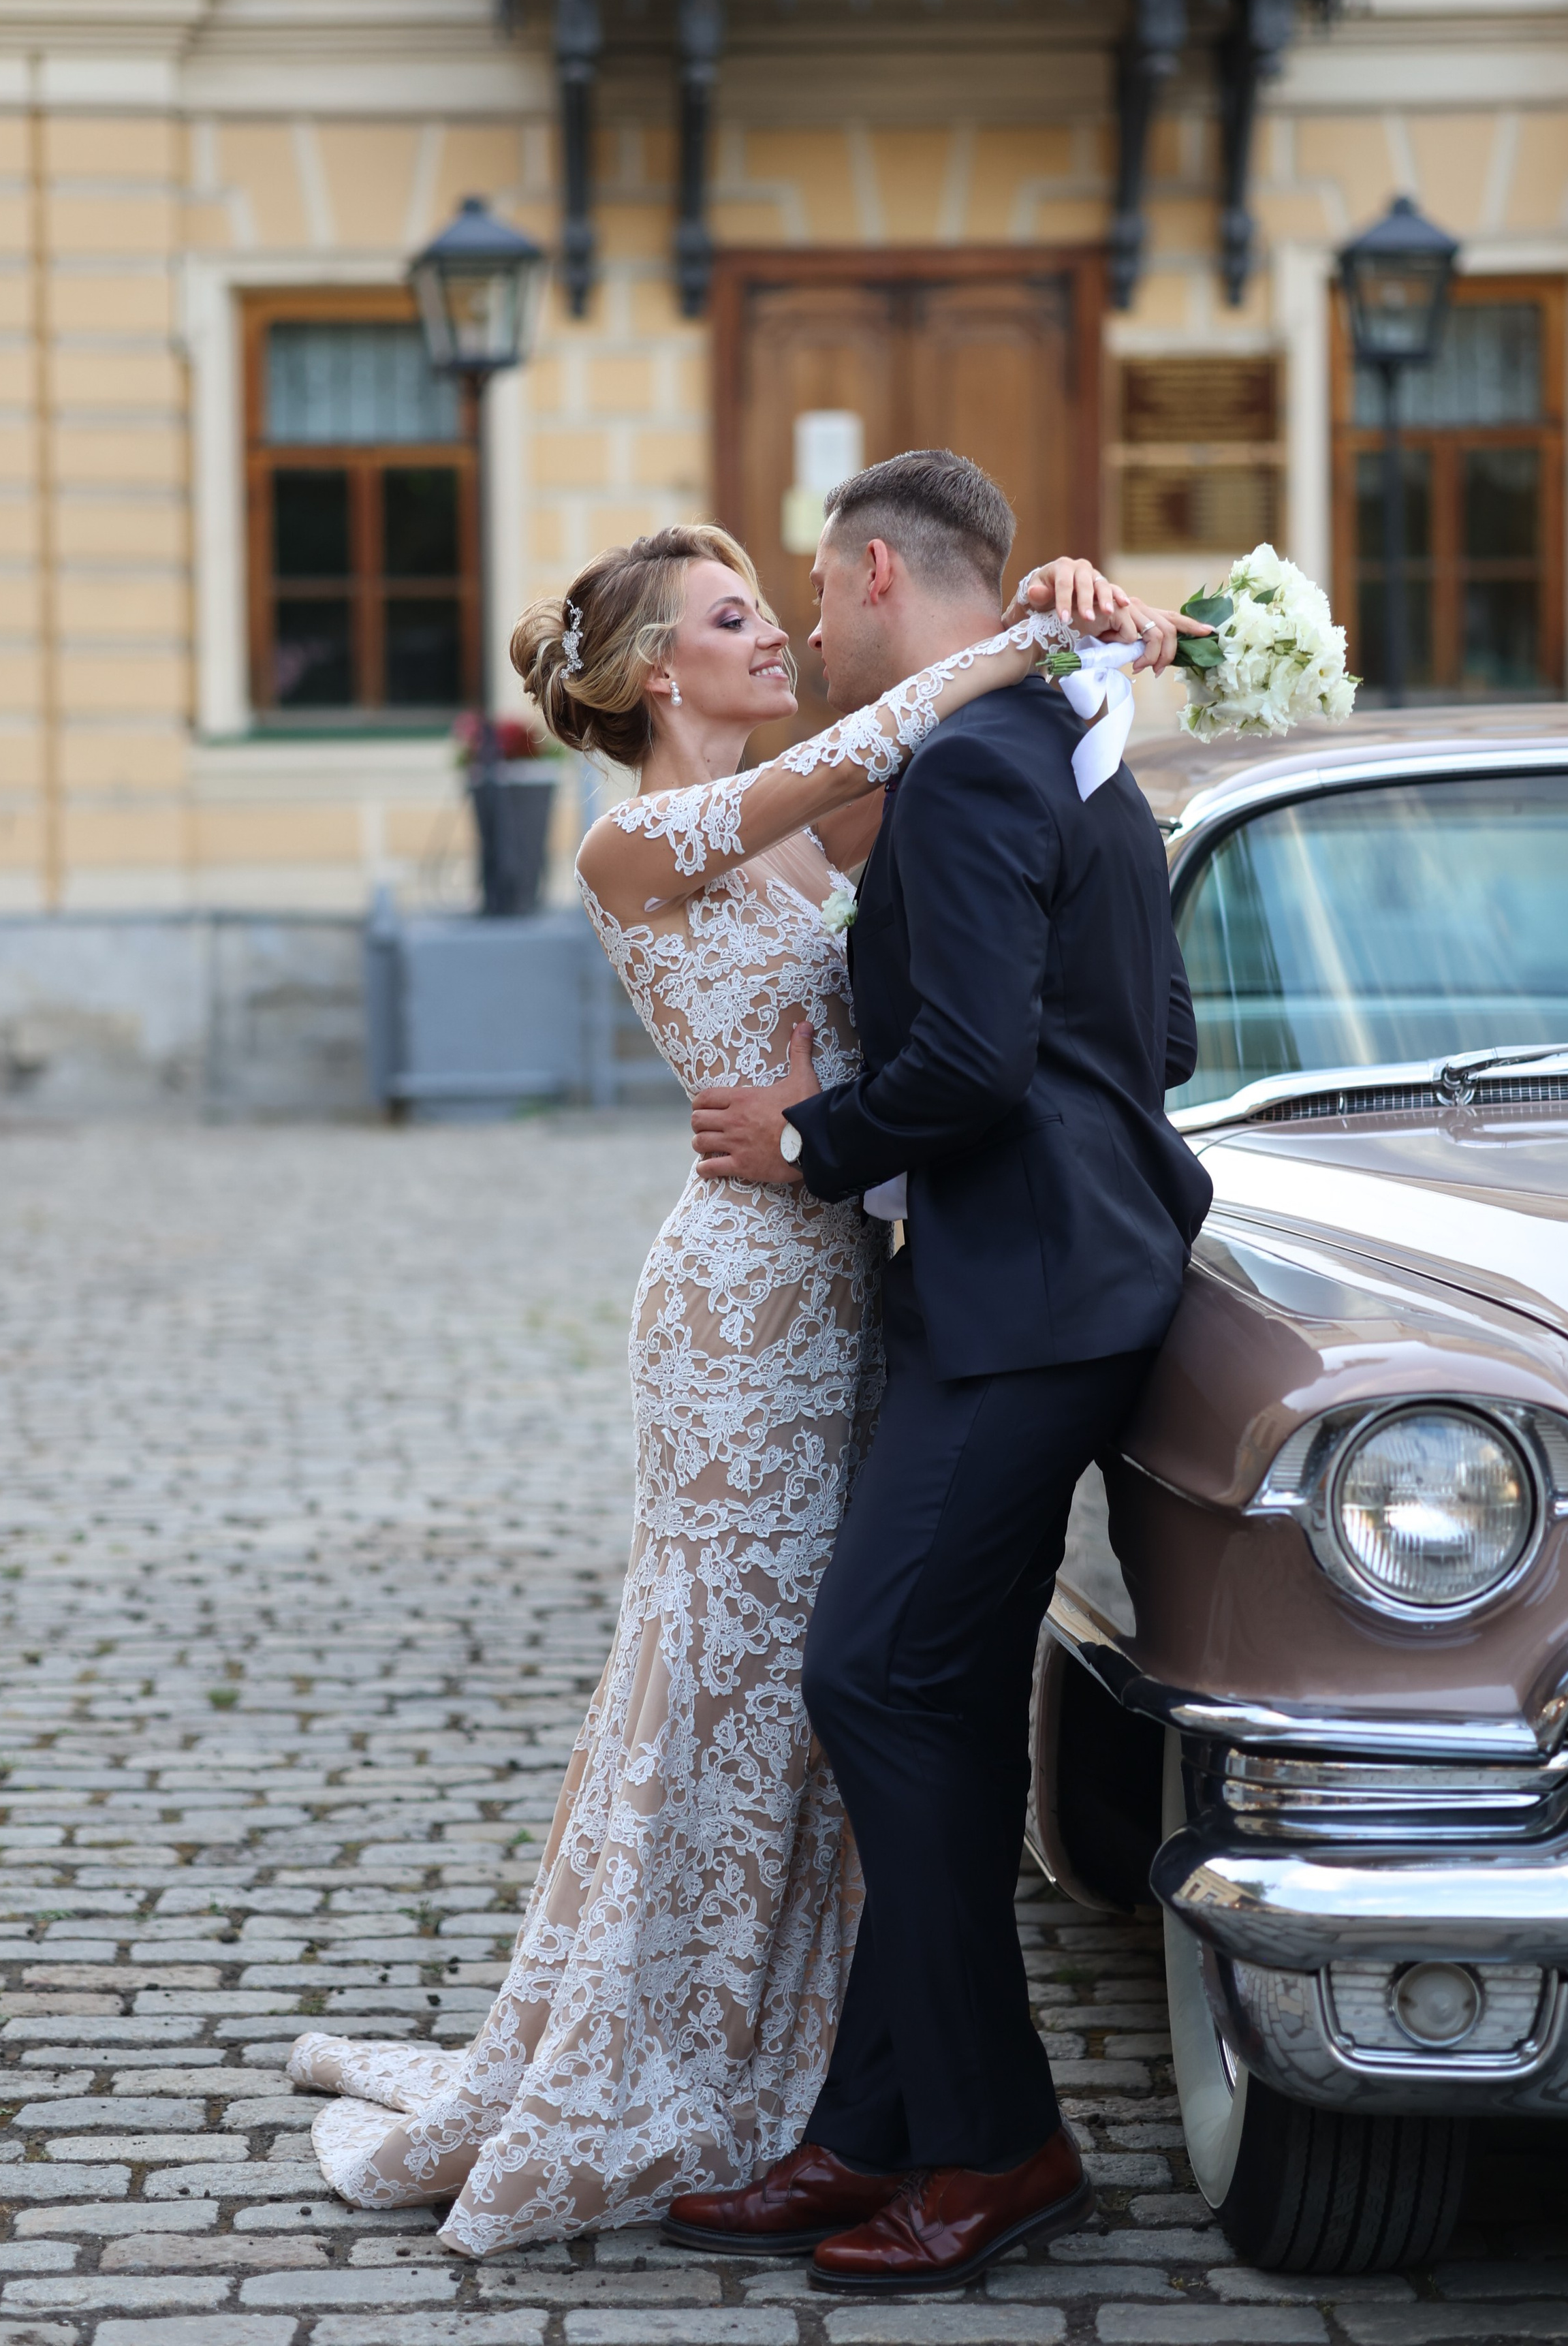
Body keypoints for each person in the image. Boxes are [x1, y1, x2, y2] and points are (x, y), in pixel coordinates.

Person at [287, 515, 1186, 2252]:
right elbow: (874, 743)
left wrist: (1068, 644)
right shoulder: (634, 841)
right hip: (737, 1303)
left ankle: (835, 2092)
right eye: (730, 618)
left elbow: (977, 951)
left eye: (779, 608)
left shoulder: (806, 835)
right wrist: (1032, 635)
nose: (775, 635)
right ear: (650, 676)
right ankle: (663, 2042)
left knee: (827, 1690)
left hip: (858, 1277)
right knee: (720, 1667)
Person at [671, 452, 1213, 2294]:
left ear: (882, 573)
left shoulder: (976, 762)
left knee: (872, 1674)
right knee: (948, 1705)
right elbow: (1160, 1032)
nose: (813, 626)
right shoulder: (1070, 740)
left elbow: (975, 1067)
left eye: (820, 592)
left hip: (1026, 1299)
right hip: (1057, 1279)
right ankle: (877, 2120)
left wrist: (809, 1142)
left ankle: (998, 2145)